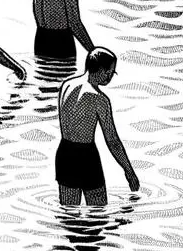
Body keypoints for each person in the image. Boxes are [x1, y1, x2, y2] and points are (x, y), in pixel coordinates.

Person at [55, 48, 139, 206]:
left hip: (65, 154)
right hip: (86, 157)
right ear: (101, 70)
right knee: (98, 217)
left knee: (69, 216)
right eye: (110, 72)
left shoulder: (66, 85)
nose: (110, 76)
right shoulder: (100, 99)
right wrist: (129, 171)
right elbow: (112, 141)